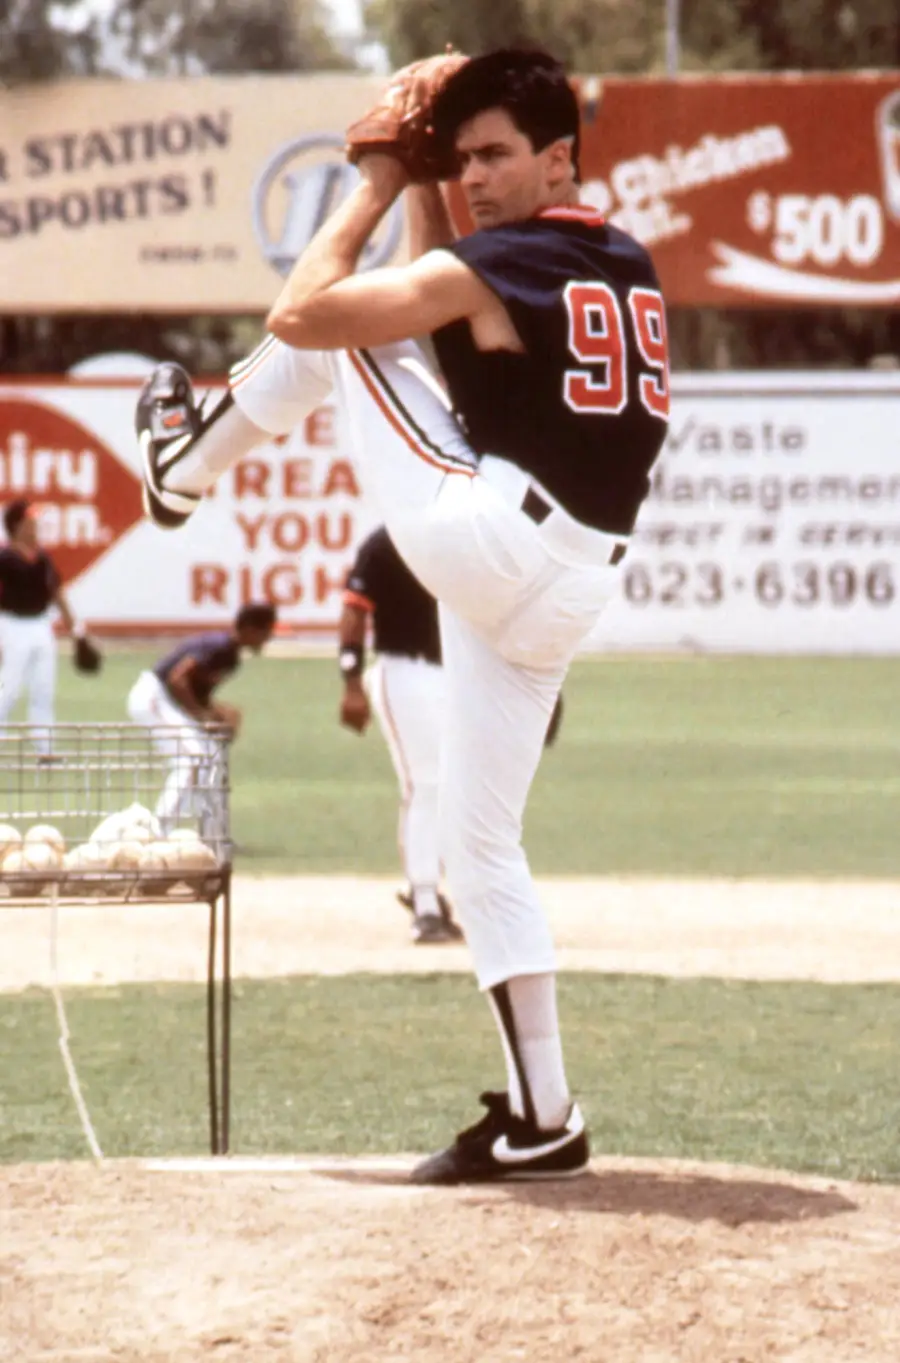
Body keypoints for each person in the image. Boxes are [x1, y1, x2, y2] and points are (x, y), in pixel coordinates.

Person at [134, 49, 670, 1184]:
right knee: (480, 852)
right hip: (566, 584)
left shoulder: (519, 255)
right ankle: (546, 1114)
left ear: (559, 158)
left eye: (495, 155)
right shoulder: (615, 256)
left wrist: (375, 176)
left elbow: (310, 310)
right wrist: (430, 175)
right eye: (461, 155)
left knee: (336, 336)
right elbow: (452, 290)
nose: (474, 175)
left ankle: (189, 460)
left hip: (500, 542)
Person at [340, 524, 464, 946]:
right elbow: (354, 610)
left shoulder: (460, 536)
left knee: (457, 787)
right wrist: (351, 682)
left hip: (458, 672)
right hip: (403, 671)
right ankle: (426, 906)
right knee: (425, 785)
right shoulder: (386, 541)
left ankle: (431, 888)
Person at [126, 602, 276, 834]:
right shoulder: (220, 646)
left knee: (210, 758)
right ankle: (158, 832)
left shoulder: (231, 657)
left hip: (166, 701)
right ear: (249, 628)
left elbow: (195, 692)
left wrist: (218, 714)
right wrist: (203, 715)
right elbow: (177, 679)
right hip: (153, 696)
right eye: (265, 631)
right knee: (191, 758)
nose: (268, 637)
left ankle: (212, 834)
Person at [0, 498, 87, 757]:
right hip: (11, 624)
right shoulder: (5, 558)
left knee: (43, 687)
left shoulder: (42, 557)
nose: (35, 527)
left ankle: (45, 748)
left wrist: (77, 632)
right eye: (29, 522)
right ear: (16, 526)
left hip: (40, 625)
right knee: (9, 685)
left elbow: (57, 593)